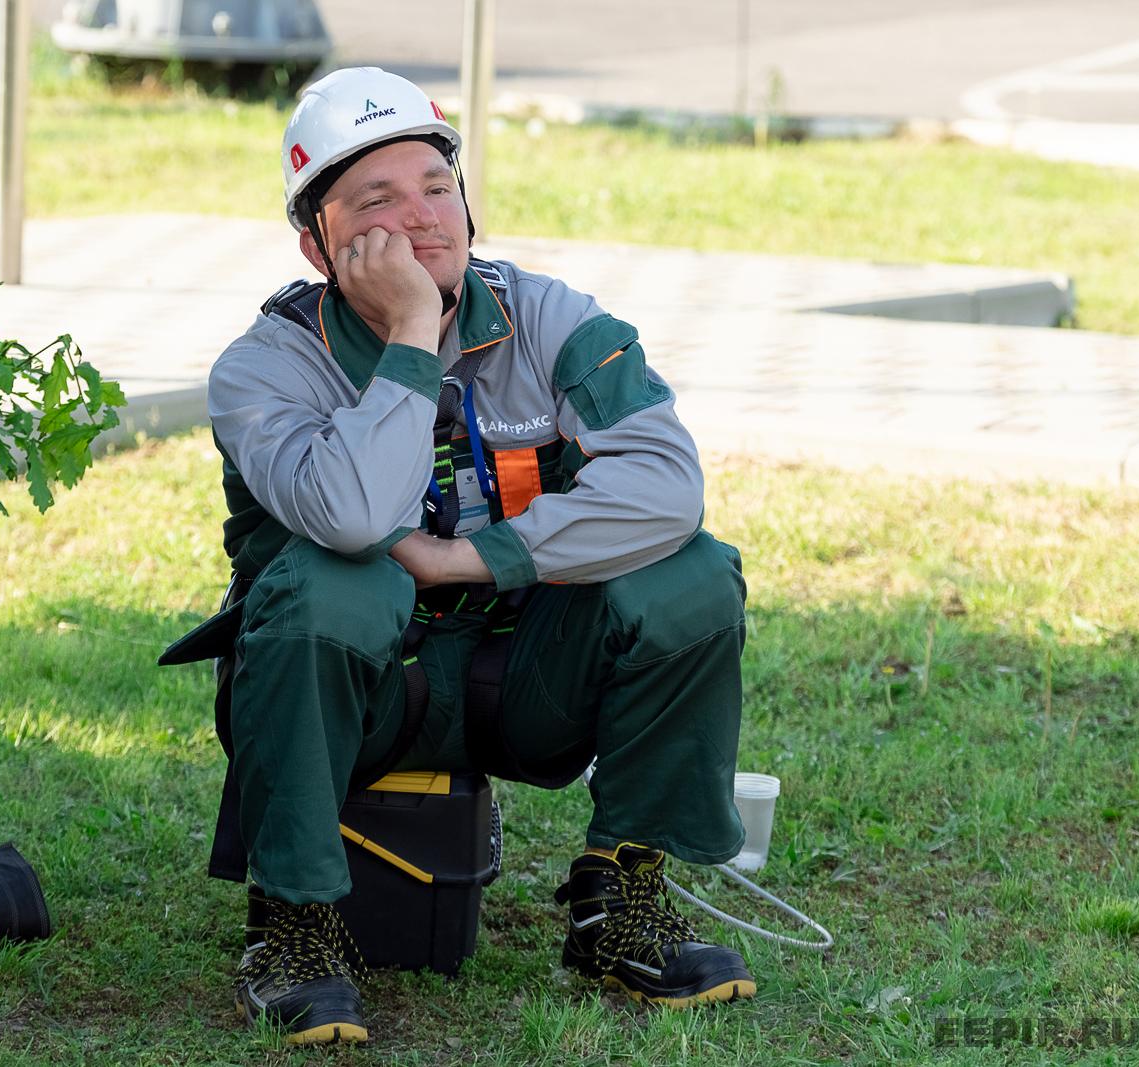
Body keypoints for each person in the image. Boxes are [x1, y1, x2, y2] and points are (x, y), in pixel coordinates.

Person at [202, 66, 753, 1044]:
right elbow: (351, 516)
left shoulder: (553, 319)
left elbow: (668, 485)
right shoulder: (264, 367)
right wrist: (415, 329)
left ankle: (615, 894)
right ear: (316, 243)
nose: (419, 218)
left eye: (435, 186)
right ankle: (291, 918)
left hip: (523, 683)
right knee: (335, 583)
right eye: (374, 202)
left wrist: (475, 558)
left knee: (689, 573)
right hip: (355, 695)